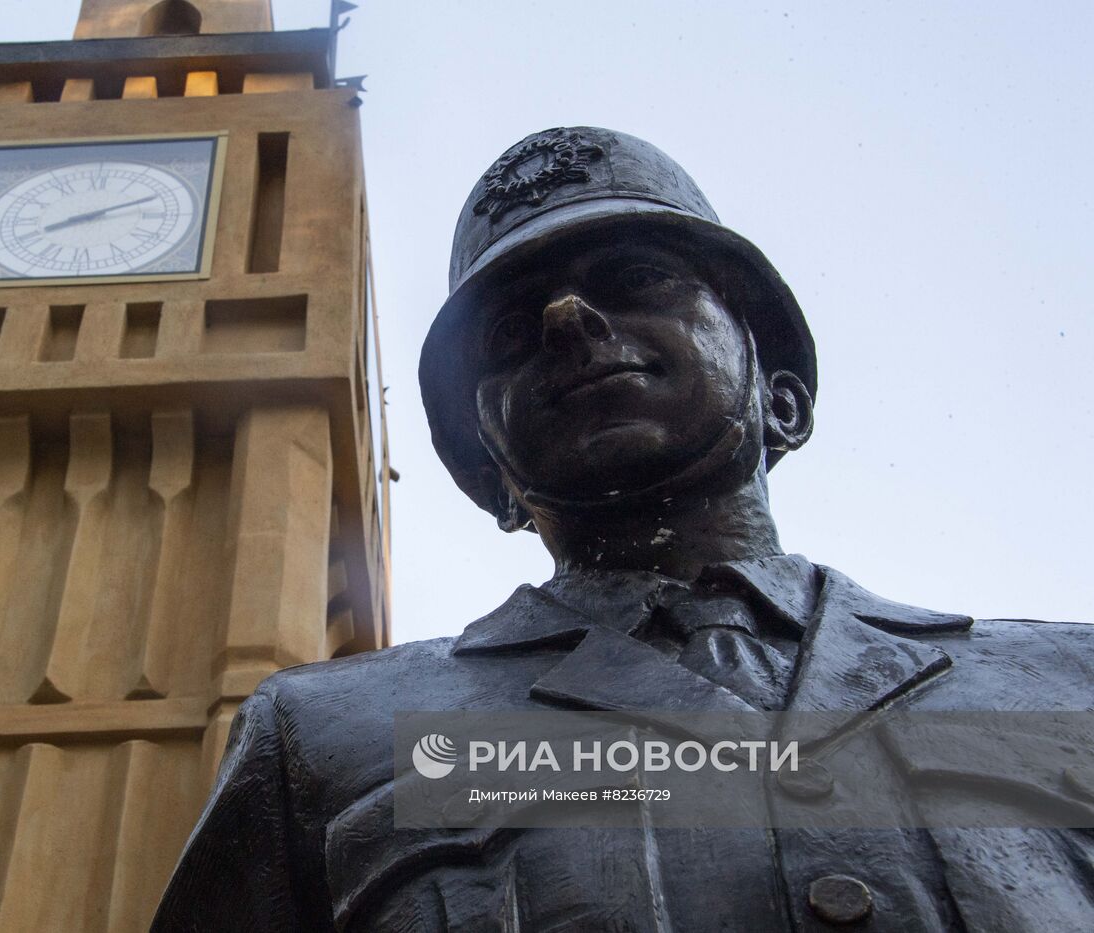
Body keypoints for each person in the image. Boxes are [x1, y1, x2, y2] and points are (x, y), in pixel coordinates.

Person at [152, 127, 1094, 931]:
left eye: (638, 278)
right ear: (492, 476)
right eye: (508, 334)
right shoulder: (323, 739)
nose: (565, 317)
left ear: (784, 397)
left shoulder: (1067, 685)